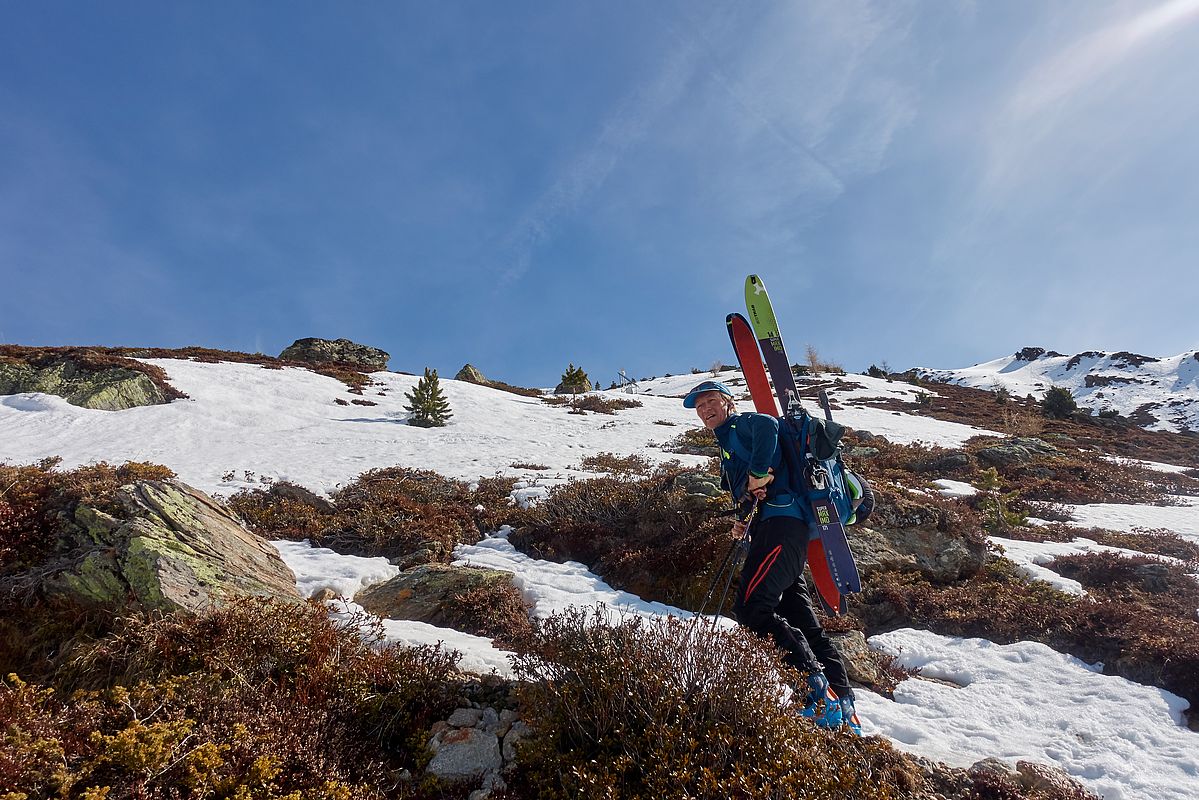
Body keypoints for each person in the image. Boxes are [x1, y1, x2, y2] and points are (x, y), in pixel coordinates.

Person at [683, 379, 862, 734]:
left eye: (711, 401)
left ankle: (816, 693)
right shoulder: (727, 443)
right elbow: (755, 492)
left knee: (752, 609)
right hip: (777, 529)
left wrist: (757, 473)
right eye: (699, 406)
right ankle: (844, 707)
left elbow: (769, 424)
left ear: (728, 402)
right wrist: (742, 521)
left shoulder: (741, 425)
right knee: (803, 621)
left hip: (780, 528)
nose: (705, 410)